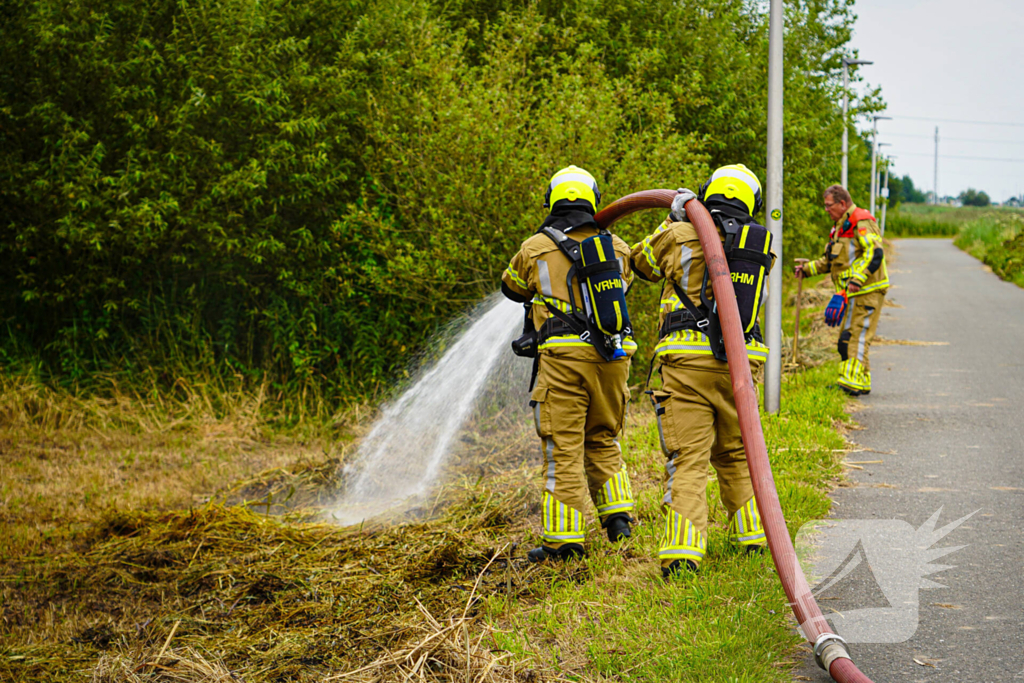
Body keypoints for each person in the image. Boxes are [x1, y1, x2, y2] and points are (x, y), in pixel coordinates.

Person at [629, 164, 772, 578]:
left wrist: (673, 217)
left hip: (686, 362)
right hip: (742, 366)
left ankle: (682, 555)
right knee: (736, 454)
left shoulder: (676, 236)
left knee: (688, 458)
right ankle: (755, 541)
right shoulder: (759, 246)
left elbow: (641, 263)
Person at [501, 165, 637, 562]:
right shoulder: (618, 246)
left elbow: (510, 288)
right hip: (612, 358)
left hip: (563, 360)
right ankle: (618, 521)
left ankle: (564, 543)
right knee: (602, 437)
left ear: (552, 200)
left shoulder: (534, 247)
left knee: (563, 448)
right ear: (593, 199)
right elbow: (624, 282)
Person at [795, 185, 889, 396]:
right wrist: (806, 270)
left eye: (829, 206)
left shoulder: (861, 221)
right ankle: (861, 380)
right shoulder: (840, 227)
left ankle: (850, 382)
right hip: (850, 293)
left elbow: (875, 252)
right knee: (848, 336)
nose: (826, 210)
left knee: (857, 335)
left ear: (842, 203)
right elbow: (831, 261)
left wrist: (858, 278)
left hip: (867, 290)